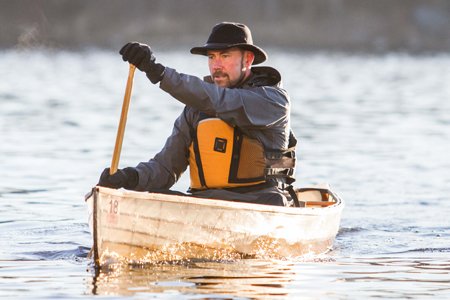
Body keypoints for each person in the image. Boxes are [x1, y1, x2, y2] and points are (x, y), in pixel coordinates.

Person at [98, 22, 298, 206]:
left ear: (248, 59)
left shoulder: (273, 101)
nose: (216, 65)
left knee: (273, 200)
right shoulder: (196, 110)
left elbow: (220, 101)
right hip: (205, 203)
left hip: (262, 202)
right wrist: (128, 177)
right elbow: (165, 169)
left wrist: (157, 72)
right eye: (212, 57)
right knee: (158, 195)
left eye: (225, 56)